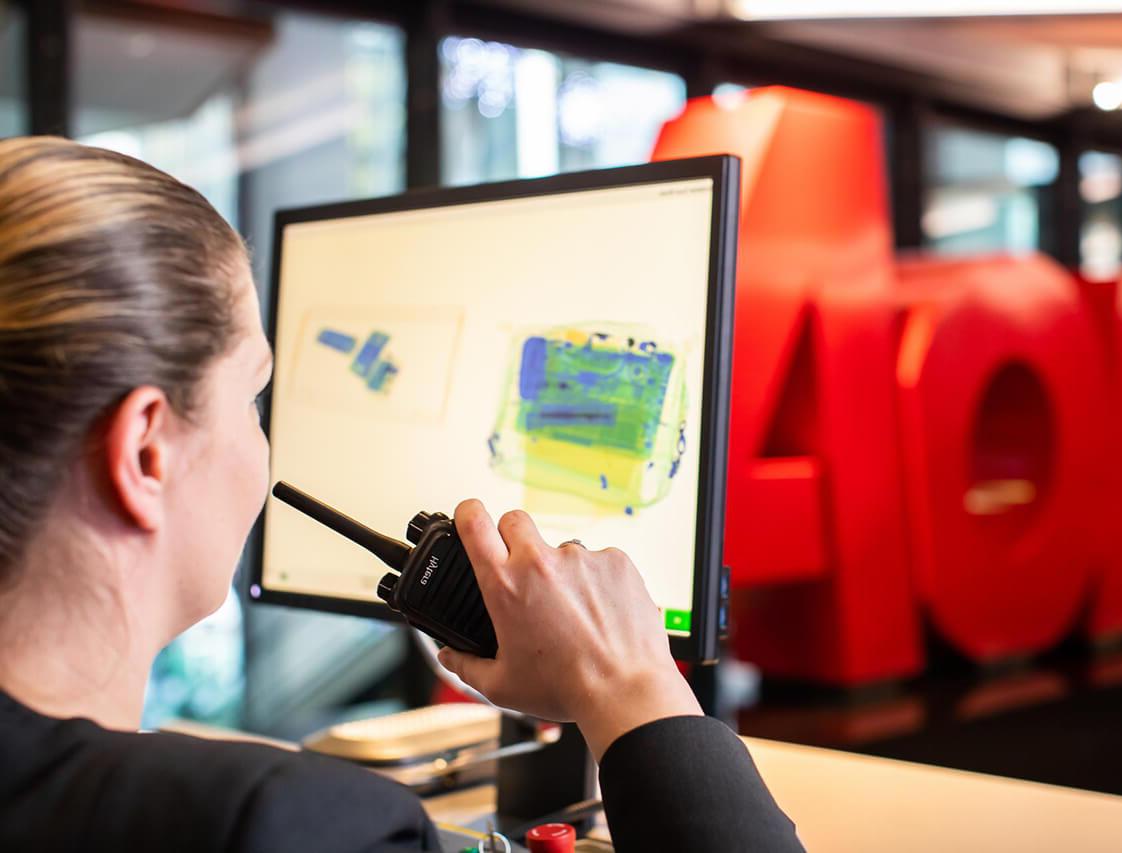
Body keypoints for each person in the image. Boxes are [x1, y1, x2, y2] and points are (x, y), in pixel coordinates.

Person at [0, 137, 804, 852]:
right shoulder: (282, 821)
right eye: (252, 397)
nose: (263, 442)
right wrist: (633, 686)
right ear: (146, 451)